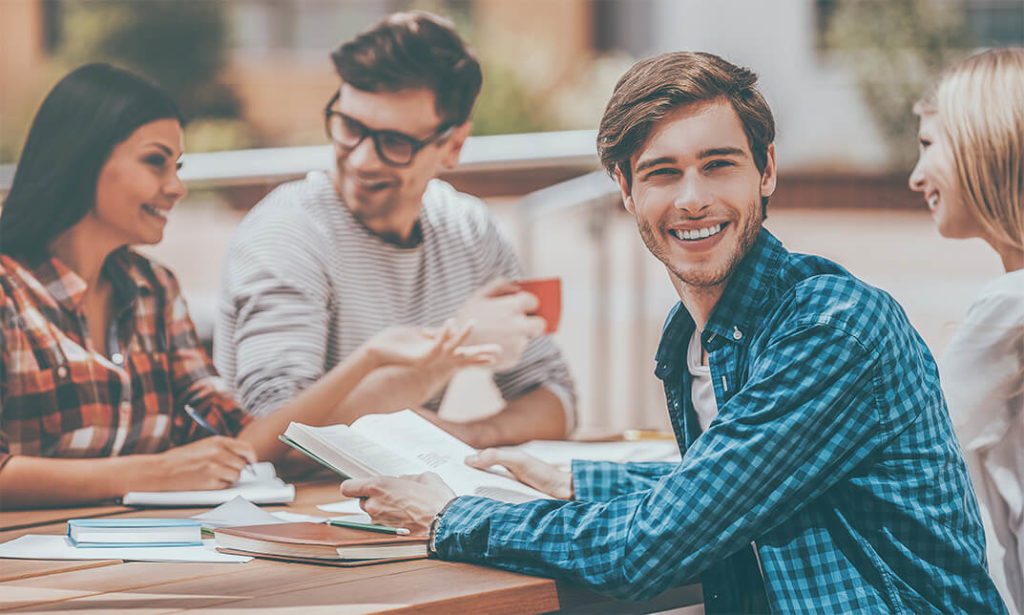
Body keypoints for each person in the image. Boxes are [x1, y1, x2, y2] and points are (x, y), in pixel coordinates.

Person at [341, 51, 1006, 613]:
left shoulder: (832, 326)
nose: (692, 197)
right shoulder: (689, 336)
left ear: (766, 170)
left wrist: (449, 516)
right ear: (625, 188)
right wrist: (569, 478)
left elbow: (652, 546)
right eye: (663, 172)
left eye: (719, 164)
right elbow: (717, 483)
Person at [0, 63, 497, 510]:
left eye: (177, 167)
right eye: (155, 162)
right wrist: (150, 472)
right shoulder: (9, 293)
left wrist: (368, 358)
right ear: (81, 159)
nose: (176, 187)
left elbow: (245, 445)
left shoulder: (154, 291)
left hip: (145, 552)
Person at [213, 11, 575, 448]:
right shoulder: (288, 233)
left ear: (454, 146)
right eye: (350, 127)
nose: (363, 159)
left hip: (400, 501)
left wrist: (461, 437)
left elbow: (555, 399)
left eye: (395, 143)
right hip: (285, 506)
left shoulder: (470, 231)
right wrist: (444, 355)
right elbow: (275, 436)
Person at [909, 47, 1024, 614]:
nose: (915, 176)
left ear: (987, 146)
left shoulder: (1009, 310)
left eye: (930, 146)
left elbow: (911, 457)